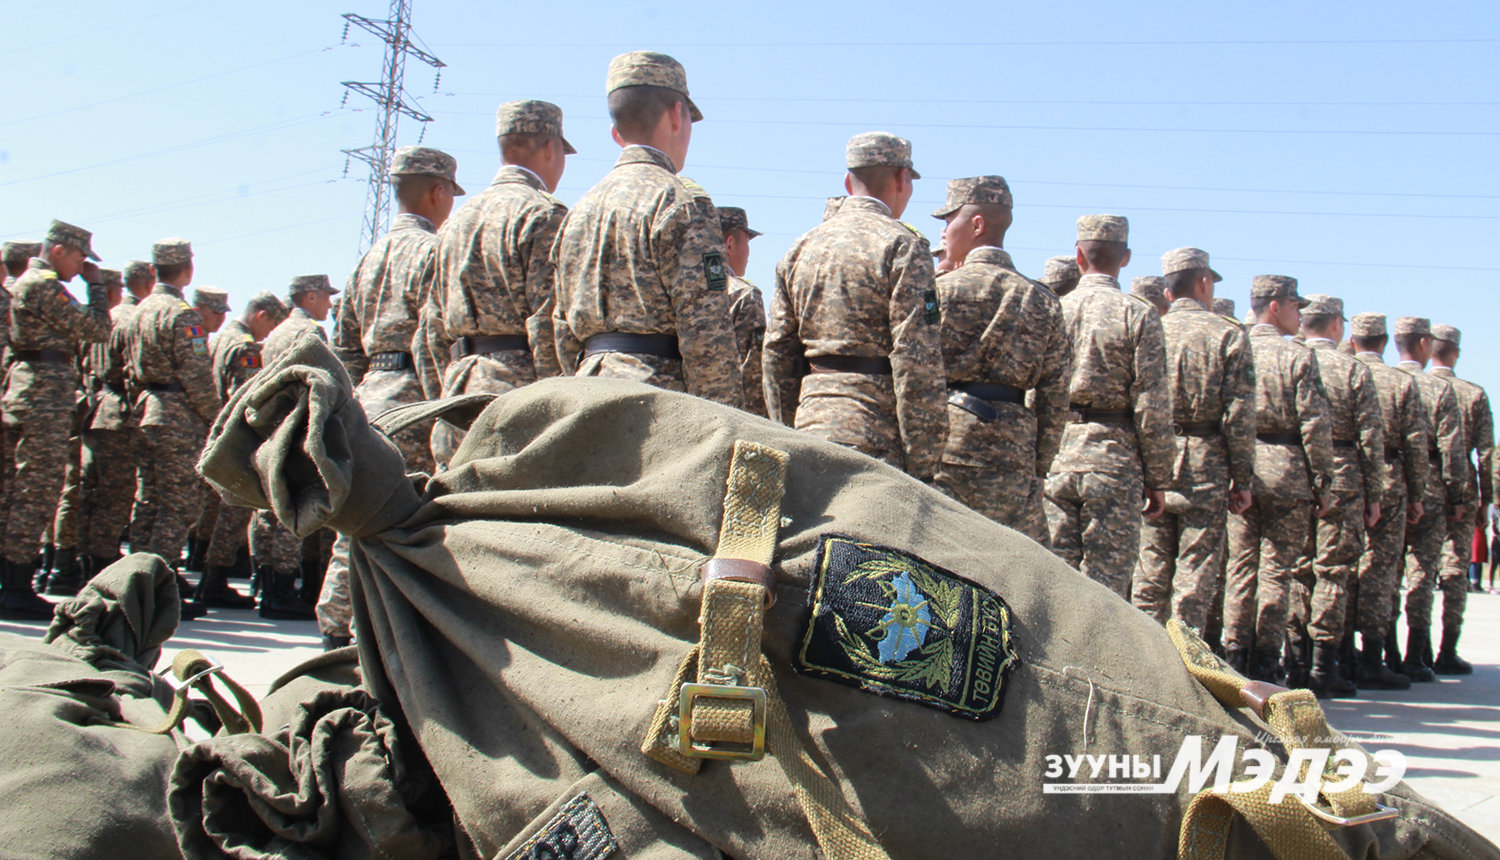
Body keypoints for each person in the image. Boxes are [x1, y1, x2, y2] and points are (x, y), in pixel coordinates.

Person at [324, 146, 463, 648]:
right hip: (413, 400)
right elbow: (433, 336)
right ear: (437, 191)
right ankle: (385, 632)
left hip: (368, 398)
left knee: (356, 520)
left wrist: (352, 398)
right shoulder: (433, 251)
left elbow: (341, 345)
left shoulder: (368, 257)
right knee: (407, 521)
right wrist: (439, 403)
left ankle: (335, 623)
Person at [551, 52, 742, 407]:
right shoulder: (682, 204)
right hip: (657, 406)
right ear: (675, 115)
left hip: (584, 399)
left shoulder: (578, 211)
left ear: (615, 133)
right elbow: (707, 336)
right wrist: (725, 427)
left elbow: (560, 331)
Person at [763, 132, 944, 481]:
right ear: (903, 179)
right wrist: (924, 461)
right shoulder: (904, 247)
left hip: (809, 423)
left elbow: (776, 351)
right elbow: (915, 357)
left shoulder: (801, 247)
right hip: (876, 433)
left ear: (848, 181)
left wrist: (787, 428)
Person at [426, 101, 573, 464]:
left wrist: (441, 397)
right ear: (551, 148)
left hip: (456, 396)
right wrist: (563, 409)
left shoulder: (454, 224)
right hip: (516, 405)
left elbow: (430, 329)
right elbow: (548, 324)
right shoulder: (544, 214)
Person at [930, 175, 1069, 543]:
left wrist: (917, 448)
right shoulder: (1042, 300)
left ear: (976, 225)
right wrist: (1038, 465)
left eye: (949, 220)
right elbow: (1054, 396)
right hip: (1014, 453)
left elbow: (913, 372)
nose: (944, 232)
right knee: (1012, 564)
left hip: (946, 446)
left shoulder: (938, 290)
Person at [1044, 215, 1173, 598]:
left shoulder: (1055, 308)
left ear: (1079, 256)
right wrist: (1159, 476)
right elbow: (1151, 402)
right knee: (1108, 589)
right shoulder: (1138, 313)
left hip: (1059, 456)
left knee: (1055, 580)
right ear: (1126, 258)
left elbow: (1038, 388)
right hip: (1115, 462)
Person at [1133, 248, 1254, 640]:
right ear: (1204, 283)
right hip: (1207, 463)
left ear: (1168, 292)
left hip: (1156, 457)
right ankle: (1187, 668)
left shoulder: (1153, 327)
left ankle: (1143, 664)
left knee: (1149, 570)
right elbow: (1238, 415)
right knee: (1196, 572)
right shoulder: (1228, 334)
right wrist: (1243, 479)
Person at [1221, 275, 1334, 681]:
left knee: (1240, 566)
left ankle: (1234, 654)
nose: (1299, 314)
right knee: (1275, 571)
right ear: (1274, 305)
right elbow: (1315, 425)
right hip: (1286, 472)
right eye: (1294, 305)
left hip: (1243, 467)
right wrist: (1323, 481)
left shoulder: (1236, 343)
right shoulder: (1297, 357)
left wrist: (1237, 471)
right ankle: (1267, 661)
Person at [0, 221, 110, 619]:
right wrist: (96, 288)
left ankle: (11, 582)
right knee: (36, 490)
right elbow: (97, 329)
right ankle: (14, 588)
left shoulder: (28, 283)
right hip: (42, 396)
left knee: (17, 490)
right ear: (61, 249)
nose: (83, 266)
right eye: (81, 257)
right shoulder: (43, 284)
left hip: (29, 392)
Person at [1290, 295, 1384, 698]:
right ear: (1334, 326)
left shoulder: (1286, 357)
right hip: (1343, 475)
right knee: (1332, 571)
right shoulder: (1352, 370)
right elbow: (1370, 438)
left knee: (1296, 568)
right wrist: (1374, 493)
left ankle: (1293, 661)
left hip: (1293, 468)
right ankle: (1323, 667)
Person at [121, 240, 223, 596]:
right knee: (176, 504)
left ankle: (134, 580)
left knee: (147, 500)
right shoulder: (183, 315)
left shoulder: (139, 310)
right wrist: (216, 418)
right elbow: (195, 375)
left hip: (145, 410)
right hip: (177, 416)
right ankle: (158, 586)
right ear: (187, 269)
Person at [1344, 312, 1426, 689]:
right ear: (1383, 342)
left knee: (1338, 565)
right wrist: (1418, 492)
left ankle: (1339, 652)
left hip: (1342, 474)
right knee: (1380, 571)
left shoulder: (1334, 369)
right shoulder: (1400, 382)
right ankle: (1374, 656)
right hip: (1389, 478)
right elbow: (1414, 444)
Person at [249, 274, 337, 621]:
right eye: (326, 297)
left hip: (273, 423)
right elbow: (321, 382)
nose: (329, 304)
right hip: (298, 423)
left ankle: (270, 587)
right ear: (310, 296)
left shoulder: (275, 333)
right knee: (297, 504)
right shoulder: (308, 333)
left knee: (271, 506)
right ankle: (285, 591)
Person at [1393, 316, 1470, 682]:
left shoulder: (1389, 380)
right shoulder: (1448, 391)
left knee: (1387, 571)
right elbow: (1456, 450)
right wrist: (1460, 495)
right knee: (1423, 571)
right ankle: (1416, 653)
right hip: (1432, 488)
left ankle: (1385, 652)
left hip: (1391, 484)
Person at [198, 292, 286, 609]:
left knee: (217, 508)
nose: (270, 334)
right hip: (237, 436)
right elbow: (247, 398)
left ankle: (208, 574)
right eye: (273, 324)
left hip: (215, 430)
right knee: (234, 509)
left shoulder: (219, 339)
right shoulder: (246, 346)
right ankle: (214, 581)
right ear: (261, 315)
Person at [1427, 323, 1489, 673]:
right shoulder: (1472, 394)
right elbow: (1487, 452)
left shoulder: (1416, 385)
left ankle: (1407, 650)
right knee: (1455, 569)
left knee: (1413, 569)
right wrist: (1487, 498)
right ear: (1456, 352)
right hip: (1461, 486)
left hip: (1416, 483)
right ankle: (1446, 650)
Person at [718, 206, 768, 418]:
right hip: (727, 418)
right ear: (730, 244)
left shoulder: (678, 287)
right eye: (747, 243)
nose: (748, 254)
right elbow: (753, 373)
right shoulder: (743, 295)